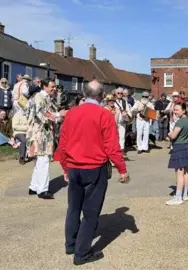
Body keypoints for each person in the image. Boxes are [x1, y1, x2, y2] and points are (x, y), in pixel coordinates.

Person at [56, 80, 129, 266]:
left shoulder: (71, 114)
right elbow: (112, 146)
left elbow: (62, 144)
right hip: (94, 168)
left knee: (73, 208)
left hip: (74, 167)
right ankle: (81, 253)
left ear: (84, 93)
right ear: (101, 95)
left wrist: (65, 167)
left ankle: (71, 243)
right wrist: (122, 169)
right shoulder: (104, 115)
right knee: (90, 213)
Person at [26, 79, 66, 200]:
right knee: (43, 160)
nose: (54, 89)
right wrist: (59, 115)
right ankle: (42, 190)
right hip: (39, 133)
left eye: (55, 87)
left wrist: (59, 116)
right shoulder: (39, 96)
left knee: (40, 161)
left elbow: (53, 114)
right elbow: (41, 113)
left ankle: (34, 187)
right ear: (44, 86)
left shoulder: (48, 98)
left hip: (45, 133)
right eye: (52, 87)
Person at [166, 102, 188, 205]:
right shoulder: (186, 120)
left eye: (177, 109)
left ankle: (178, 197)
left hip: (179, 147)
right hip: (186, 146)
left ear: (183, 110)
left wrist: (169, 134)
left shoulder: (180, 122)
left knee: (179, 173)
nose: (175, 111)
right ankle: (185, 194)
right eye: (174, 109)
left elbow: (173, 136)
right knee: (185, 172)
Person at [114, 88, 132, 156]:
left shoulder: (124, 101)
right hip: (114, 121)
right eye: (118, 93)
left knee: (122, 136)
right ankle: (115, 149)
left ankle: (121, 149)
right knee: (115, 136)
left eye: (121, 93)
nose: (120, 94)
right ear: (115, 93)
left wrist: (128, 116)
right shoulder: (112, 100)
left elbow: (128, 110)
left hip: (123, 121)